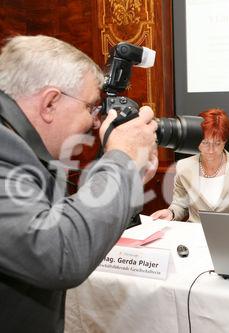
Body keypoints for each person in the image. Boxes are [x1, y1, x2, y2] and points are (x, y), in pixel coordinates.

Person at [0, 35, 158, 332]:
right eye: (90, 107)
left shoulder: (22, 146)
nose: (96, 122)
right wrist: (121, 159)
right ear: (50, 103)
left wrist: (128, 181)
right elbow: (56, 253)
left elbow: (62, 220)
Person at [151, 108, 229, 222]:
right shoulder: (183, 166)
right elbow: (180, 205)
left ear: (225, 141)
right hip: (195, 233)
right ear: (196, 139)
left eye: (217, 143)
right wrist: (171, 212)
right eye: (205, 143)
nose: (211, 150)